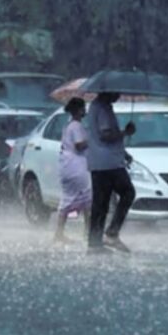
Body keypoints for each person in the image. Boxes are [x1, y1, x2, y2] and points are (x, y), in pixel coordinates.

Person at [86, 92, 136, 254]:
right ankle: (111, 233)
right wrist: (125, 133)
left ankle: (95, 242)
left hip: (102, 161)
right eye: (116, 92)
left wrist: (123, 153)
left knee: (101, 203)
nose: (119, 95)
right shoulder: (102, 109)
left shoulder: (97, 107)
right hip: (108, 163)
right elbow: (106, 134)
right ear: (108, 91)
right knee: (128, 192)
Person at [54, 97, 92, 244]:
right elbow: (79, 146)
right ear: (78, 110)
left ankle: (59, 233)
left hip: (68, 167)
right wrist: (92, 139)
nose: (85, 111)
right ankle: (87, 233)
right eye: (83, 108)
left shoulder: (69, 125)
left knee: (68, 200)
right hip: (76, 167)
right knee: (88, 200)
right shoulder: (76, 126)